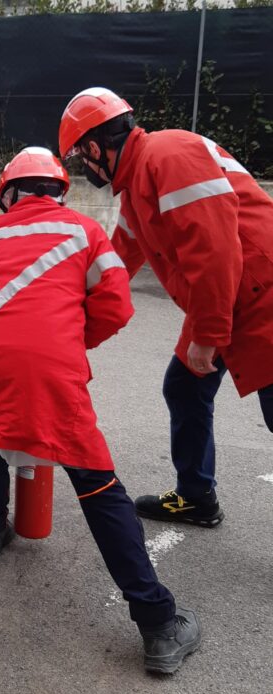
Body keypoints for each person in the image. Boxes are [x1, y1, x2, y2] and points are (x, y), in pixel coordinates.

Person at [0, 147, 200, 674]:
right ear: (60, 190)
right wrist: (68, 342)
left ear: (7, 195)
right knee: (97, 483)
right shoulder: (84, 230)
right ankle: (158, 624)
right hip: (48, 374)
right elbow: (116, 306)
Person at [58, 88, 273, 527]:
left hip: (259, 294)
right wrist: (62, 305)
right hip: (230, 295)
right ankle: (196, 497)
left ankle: (196, 493)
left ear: (95, 148)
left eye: (81, 157)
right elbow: (117, 260)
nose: (86, 168)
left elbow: (215, 251)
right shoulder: (138, 183)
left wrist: (208, 335)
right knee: (185, 386)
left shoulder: (168, 156)